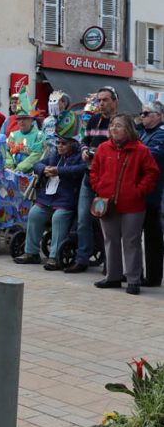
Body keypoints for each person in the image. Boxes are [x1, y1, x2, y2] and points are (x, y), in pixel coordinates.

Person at [90, 114, 160, 295]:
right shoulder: (103, 148)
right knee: (110, 240)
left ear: (128, 129)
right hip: (107, 203)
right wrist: (99, 186)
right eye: (112, 125)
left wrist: (139, 190)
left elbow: (152, 173)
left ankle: (133, 280)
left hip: (133, 204)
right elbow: (94, 170)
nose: (113, 128)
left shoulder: (141, 150)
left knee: (131, 242)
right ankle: (113, 277)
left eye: (119, 125)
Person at [13, 116, 86, 269]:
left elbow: (81, 169)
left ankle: (55, 256)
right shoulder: (54, 155)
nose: (59, 146)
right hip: (48, 197)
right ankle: (31, 252)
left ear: (72, 144)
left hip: (66, 199)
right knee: (34, 213)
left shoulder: (79, 157)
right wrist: (44, 169)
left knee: (58, 218)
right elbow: (37, 164)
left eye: (63, 143)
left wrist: (59, 171)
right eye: (58, 142)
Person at [66, 86, 118, 274]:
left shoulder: (119, 122)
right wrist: (84, 151)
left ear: (115, 102)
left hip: (108, 179)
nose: (101, 103)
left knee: (108, 222)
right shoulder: (94, 120)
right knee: (83, 220)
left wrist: (97, 154)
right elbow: (83, 140)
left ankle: (111, 263)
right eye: (99, 100)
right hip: (89, 176)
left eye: (105, 100)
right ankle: (82, 258)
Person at [139, 102, 164, 287]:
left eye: (147, 113)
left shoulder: (161, 134)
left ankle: (154, 277)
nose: (143, 116)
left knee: (152, 236)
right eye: (142, 113)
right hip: (141, 191)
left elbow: (152, 155)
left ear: (159, 115)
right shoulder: (143, 133)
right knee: (136, 235)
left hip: (154, 193)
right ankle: (135, 273)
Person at [5, 90, 44, 174]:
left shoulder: (39, 135)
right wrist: (10, 165)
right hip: (12, 171)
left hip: (30, 174)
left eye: (25, 118)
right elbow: (6, 150)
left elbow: (36, 155)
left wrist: (19, 168)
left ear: (31, 119)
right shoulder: (13, 135)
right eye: (19, 119)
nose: (21, 121)